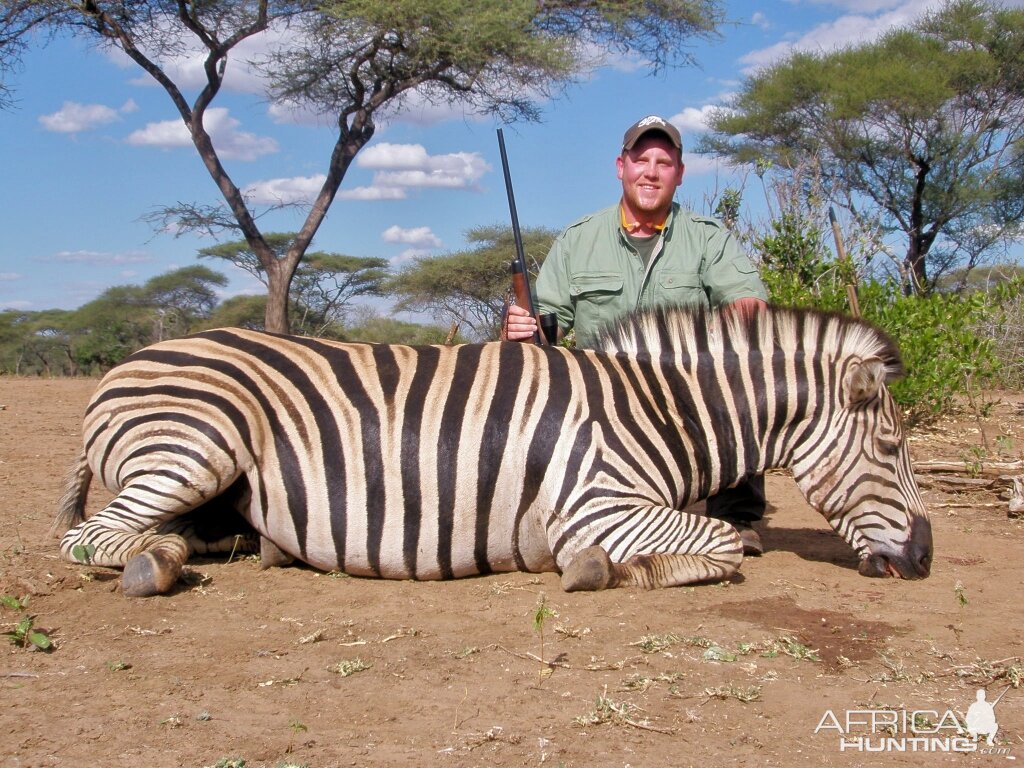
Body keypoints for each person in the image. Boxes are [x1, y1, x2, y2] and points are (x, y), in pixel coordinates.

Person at [504, 115, 769, 555]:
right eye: (640, 159)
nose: (651, 171)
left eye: (663, 162)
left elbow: (749, 304)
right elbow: (544, 330)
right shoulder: (578, 239)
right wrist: (518, 328)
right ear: (620, 166)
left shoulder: (708, 239)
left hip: (681, 397)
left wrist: (739, 325)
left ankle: (735, 517)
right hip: (601, 404)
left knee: (746, 372)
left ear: (679, 174)